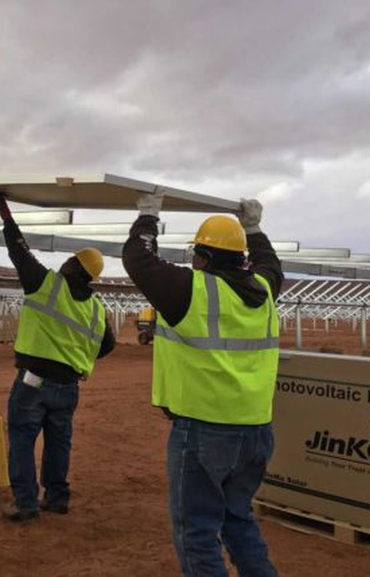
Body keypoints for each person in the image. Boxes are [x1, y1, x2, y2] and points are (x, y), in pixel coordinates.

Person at [122, 192, 283, 577]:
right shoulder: (264, 292)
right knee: (237, 519)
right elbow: (270, 265)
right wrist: (254, 228)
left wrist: (148, 217)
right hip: (255, 431)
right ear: (242, 257)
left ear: (204, 257)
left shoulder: (193, 289)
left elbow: (137, 258)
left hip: (205, 432)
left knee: (196, 532)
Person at [0, 195, 116, 521]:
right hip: (68, 384)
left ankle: (25, 502)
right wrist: (76, 351)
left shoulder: (46, 283)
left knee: (22, 437)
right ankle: (57, 497)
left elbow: (17, 249)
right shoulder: (95, 309)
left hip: (33, 380)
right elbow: (107, 346)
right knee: (59, 440)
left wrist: (1, 208)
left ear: (73, 266)